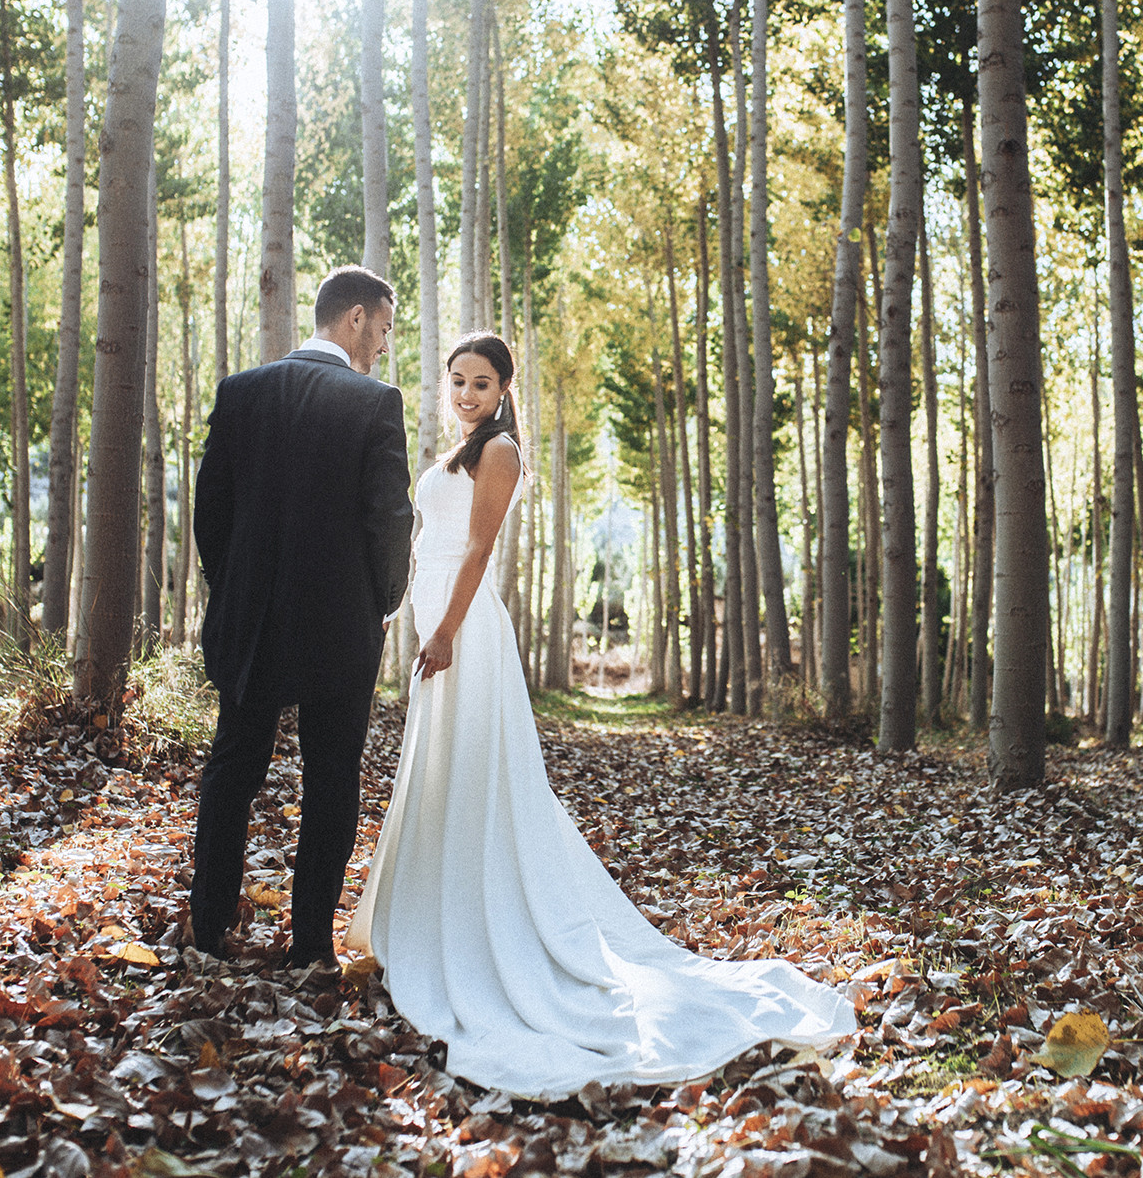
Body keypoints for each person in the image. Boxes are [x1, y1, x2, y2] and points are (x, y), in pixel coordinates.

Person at [347, 331, 854, 1098]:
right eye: (457, 381)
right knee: (438, 767)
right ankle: (425, 909)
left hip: (467, 631)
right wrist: (400, 611)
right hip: (431, 622)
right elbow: (426, 545)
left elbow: (478, 551)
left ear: (505, 388)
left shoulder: (501, 452)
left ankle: (492, 927)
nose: (466, 395)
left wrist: (447, 628)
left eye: (481, 383)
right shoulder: (453, 454)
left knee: (475, 769)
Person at [190, 266, 414, 968]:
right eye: (381, 327)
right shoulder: (375, 402)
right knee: (331, 777)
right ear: (353, 319)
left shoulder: (240, 392)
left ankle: (206, 927)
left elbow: (210, 511)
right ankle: (311, 939)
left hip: (250, 620)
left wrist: (232, 585)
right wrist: (384, 601)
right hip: (339, 624)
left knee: (233, 768)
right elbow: (390, 519)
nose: (381, 343)